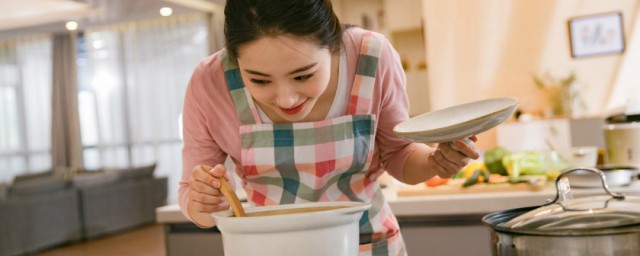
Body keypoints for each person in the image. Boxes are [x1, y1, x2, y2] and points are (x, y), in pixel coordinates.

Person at [179, 0, 479, 255]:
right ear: (233, 58)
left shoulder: (371, 58)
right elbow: (192, 194)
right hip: (269, 248)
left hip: (364, 244)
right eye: (259, 80)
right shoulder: (210, 82)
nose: (286, 98)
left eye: (303, 75)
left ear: (335, 45)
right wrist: (203, 202)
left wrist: (434, 162)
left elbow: (399, 155)